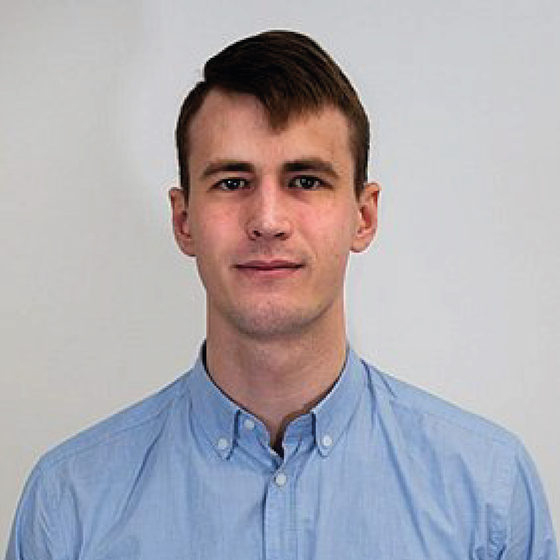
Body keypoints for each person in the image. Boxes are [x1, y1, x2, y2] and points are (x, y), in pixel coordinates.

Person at [5, 30, 557, 560]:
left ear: (363, 216)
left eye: (306, 181)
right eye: (232, 182)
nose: (268, 220)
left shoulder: (487, 493)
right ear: (183, 220)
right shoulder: (70, 503)